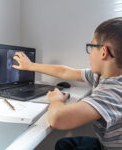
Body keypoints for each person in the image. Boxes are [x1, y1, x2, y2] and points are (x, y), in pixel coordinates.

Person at [12, 17, 122, 150]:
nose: (90, 53)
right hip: (105, 143)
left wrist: (56, 100)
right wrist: (30, 66)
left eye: (91, 46)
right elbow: (65, 72)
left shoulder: (115, 90)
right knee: (63, 144)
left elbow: (58, 119)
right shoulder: (102, 76)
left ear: (104, 52)